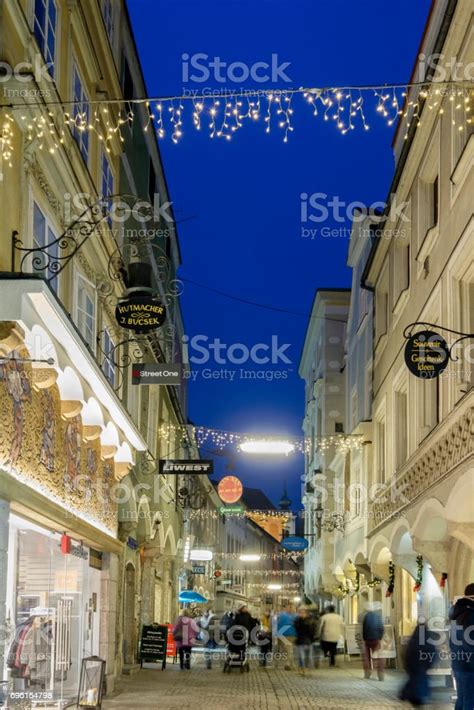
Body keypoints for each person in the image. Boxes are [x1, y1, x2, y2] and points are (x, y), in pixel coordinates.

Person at [399, 621, 440, 706]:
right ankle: (419, 698)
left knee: (414, 684)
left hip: (414, 670)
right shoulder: (428, 641)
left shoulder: (413, 642)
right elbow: (432, 655)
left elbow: (407, 656)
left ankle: (411, 697)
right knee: (421, 687)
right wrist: (428, 666)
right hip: (422, 670)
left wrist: (408, 668)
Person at [449, 582, 474, 710]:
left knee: (462, 698)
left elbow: (453, 641)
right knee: (470, 701)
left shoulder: (457, 613)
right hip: (469, 665)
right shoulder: (470, 615)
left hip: (459, 663)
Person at [361, 602, 385, 680]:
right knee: (379, 657)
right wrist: (380, 638)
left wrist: (364, 639)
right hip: (376, 640)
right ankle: (380, 675)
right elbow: (381, 628)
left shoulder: (366, 616)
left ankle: (367, 673)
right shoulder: (378, 616)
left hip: (367, 640)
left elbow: (364, 629)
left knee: (367, 657)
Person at [294, 606, 316, 675]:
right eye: (301, 612)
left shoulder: (310, 620)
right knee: (302, 656)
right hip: (300, 641)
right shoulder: (298, 620)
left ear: (307, 613)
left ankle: (307, 669)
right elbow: (297, 628)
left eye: (304, 612)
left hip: (308, 641)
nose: (302, 614)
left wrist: (312, 638)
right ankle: (302, 669)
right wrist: (301, 619)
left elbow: (313, 630)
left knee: (308, 656)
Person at [277, 604, 297, 670]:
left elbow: (278, 625)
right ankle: (290, 664)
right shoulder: (295, 616)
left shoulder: (282, 615)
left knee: (289, 649)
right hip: (290, 635)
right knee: (290, 649)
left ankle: (290, 664)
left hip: (287, 635)